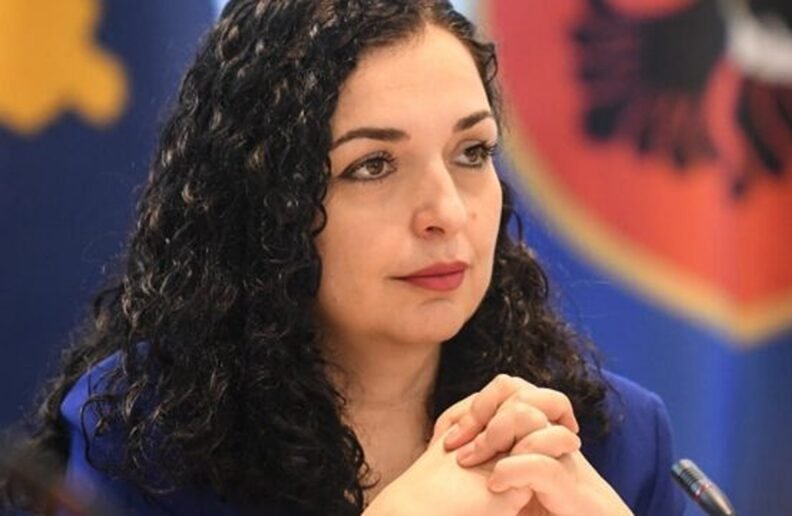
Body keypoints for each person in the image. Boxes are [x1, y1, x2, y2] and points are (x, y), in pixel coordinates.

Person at [3, 1, 686, 514]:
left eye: (472, 152)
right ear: (266, 203)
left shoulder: (609, 440)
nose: (448, 212)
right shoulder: (142, 439)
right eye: (373, 165)